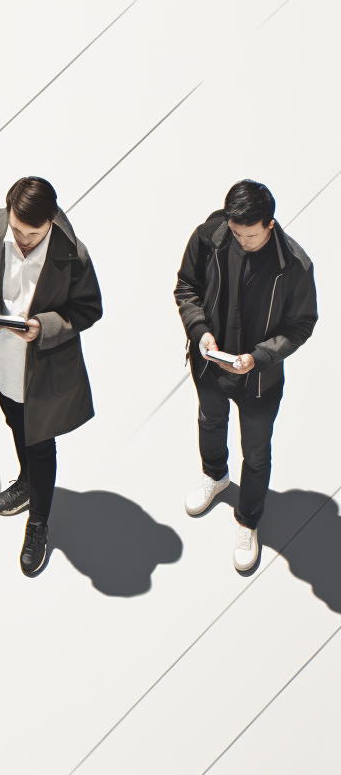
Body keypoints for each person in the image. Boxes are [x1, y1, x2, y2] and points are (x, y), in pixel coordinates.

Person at [174, 180, 318, 572]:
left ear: (269, 224)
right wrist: (200, 331)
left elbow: (301, 325)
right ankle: (215, 476)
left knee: (256, 454)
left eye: (250, 235)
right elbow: (186, 287)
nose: (242, 241)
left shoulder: (294, 266)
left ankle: (247, 520)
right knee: (209, 421)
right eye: (236, 233)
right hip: (209, 365)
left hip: (259, 380)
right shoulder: (210, 238)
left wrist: (259, 357)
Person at [0, 177, 102, 576]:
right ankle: (27, 480)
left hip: (41, 367)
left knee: (41, 443)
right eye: (18, 230)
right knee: (14, 421)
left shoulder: (72, 255)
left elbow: (88, 309)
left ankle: (38, 522)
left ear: (52, 221)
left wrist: (44, 326)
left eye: (34, 234)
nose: (24, 240)